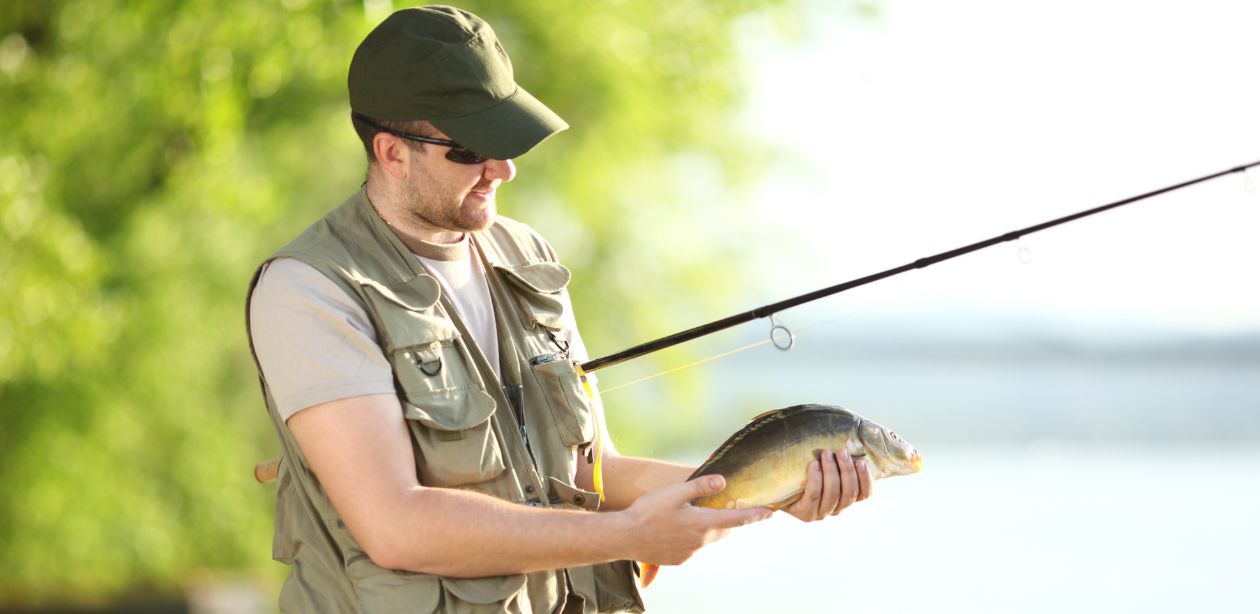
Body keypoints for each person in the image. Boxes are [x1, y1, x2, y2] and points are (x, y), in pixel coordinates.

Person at [246, 6, 873, 613]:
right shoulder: (311, 290)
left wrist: (769, 490)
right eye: (471, 149)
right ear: (391, 152)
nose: (505, 168)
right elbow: (396, 524)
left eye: (508, 140)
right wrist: (632, 535)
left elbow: (593, 467)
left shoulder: (526, 253)